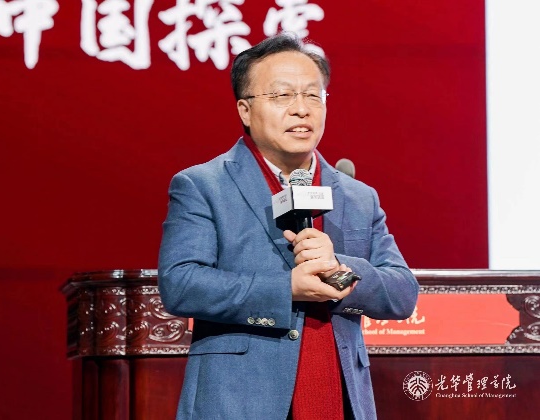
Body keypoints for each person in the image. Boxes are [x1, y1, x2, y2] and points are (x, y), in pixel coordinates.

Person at [158, 33, 419, 420]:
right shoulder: (203, 185)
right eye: (282, 95)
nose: (301, 109)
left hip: (340, 400)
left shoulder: (357, 196)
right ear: (245, 110)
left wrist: (339, 269)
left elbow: (402, 293)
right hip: (239, 403)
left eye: (313, 95)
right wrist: (286, 289)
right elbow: (180, 284)